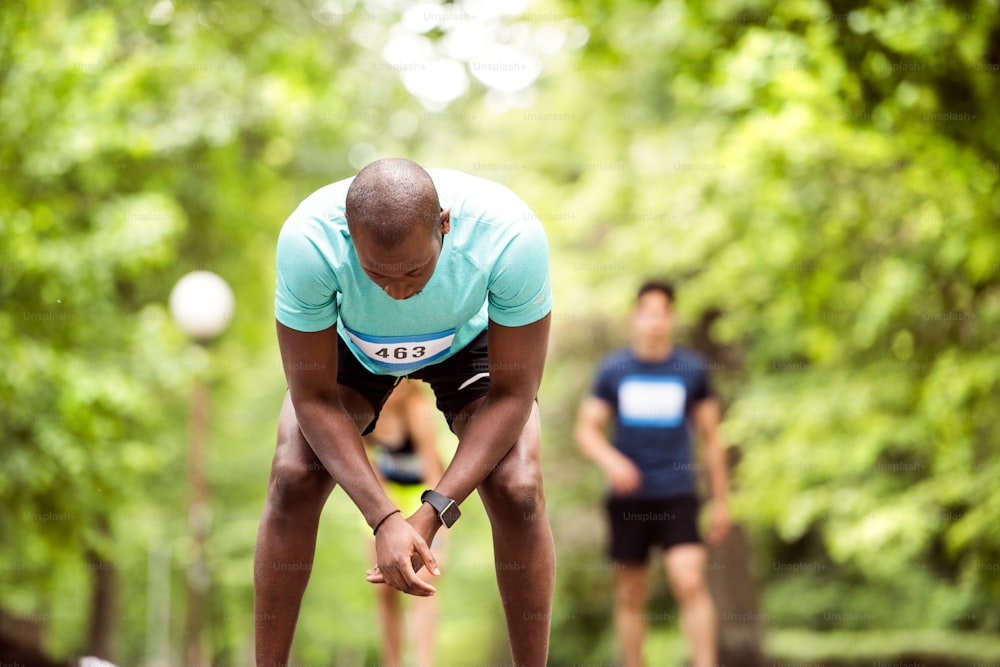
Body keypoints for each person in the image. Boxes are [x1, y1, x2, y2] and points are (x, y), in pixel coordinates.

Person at [254, 158, 554, 667]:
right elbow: (312, 398)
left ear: (445, 224)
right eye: (377, 274)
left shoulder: (509, 235)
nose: (398, 290)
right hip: (352, 344)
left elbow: (512, 394)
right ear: (349, 237)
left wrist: (433, 511)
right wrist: (385, 518)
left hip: (470, 340)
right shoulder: (309, 241)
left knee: (518, 483)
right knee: (292, 475)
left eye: (415, 270)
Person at [574, 280, 731, 667]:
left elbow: (713, 439)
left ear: (671, 318)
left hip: (678, 491)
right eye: (647, 312)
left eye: (662, 313)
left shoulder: (692, 370)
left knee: (688, 580)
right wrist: (612, 461)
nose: (654, 321)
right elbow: (586, 430)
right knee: (630, 592)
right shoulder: (614, 370)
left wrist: (722, 501)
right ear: (635, 316)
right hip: (629, 496)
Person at [363, 379, 446, 667]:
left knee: (422, 583)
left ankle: (424, 662)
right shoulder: (365, 408)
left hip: (421, 494)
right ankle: (392, 662)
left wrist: (440, 530)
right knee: (385, 585)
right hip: (384, 496)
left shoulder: (416, 406)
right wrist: (385, 518)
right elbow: (366, 466)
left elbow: (434, 470)